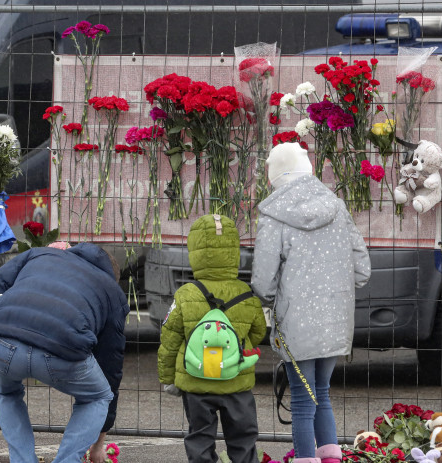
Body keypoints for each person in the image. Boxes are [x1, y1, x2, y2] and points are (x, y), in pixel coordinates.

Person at [251, 143, 371, 463]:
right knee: (323, 395)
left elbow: (263, 282)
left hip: (295, 322)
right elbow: (362, 269)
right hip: (335, 319)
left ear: (275, 175)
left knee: (303, 403)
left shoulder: (273, 214)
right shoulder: (337, 206)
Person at [0, 243, 129, 463]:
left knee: (6, 393)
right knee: (98, 396)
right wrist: (99, 443)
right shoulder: (112, 292)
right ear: (112, 277)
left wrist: (3, 333)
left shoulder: (39, 253)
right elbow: (110, 366)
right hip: (61, 348)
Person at [158, 214, 267, 463]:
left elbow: (170, 340)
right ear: (234, 252)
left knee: (199, 438)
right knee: (242, 439)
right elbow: (258, 332)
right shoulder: (246, 294)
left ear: (195, 251)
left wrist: (168, 378)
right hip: (236, 380)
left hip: (196, 380)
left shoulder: (186, 294)